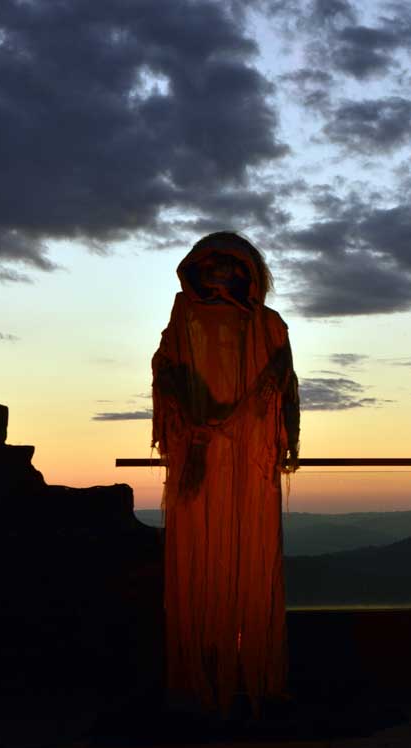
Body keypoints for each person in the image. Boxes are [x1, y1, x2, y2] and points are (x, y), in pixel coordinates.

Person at [152, 232, 300, 717]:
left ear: (246, 272)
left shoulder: (269, 327)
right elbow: (167, 375)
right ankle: (206, 674)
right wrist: (202, 427)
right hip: (200, 461)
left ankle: (243, 673)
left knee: (247, 551)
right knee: (202, 554)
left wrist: (247, 423)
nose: (219, 276)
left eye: (228, 267)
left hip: (247, 459)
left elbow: (281, 383)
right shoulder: (182, 325)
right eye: (212, 267)